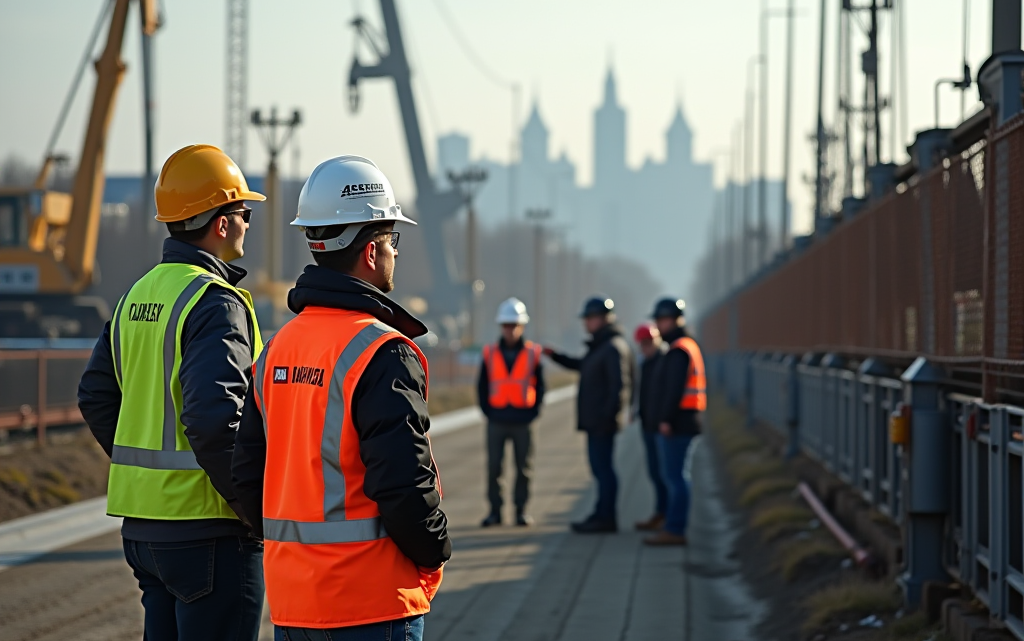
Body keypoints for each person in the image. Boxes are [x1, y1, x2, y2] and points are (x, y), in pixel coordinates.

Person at [232, 155, 450, 641]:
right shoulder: (382, 352)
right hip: (371, 603)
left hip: (294, 604)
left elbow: (246, 473)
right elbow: (403, 482)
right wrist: (437, 547)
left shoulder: (277, 350)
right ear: (371, 252)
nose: (396, 251)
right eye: (392, 239)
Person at [77, 144, 266, 641]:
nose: (248, 223)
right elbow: (213, 421)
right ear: (221, 223)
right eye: (243, 212)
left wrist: (141, 470)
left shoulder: (137, 294)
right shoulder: (214, 302)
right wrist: (255, 509)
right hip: (208, 530)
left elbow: (95, 395)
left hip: (143, 531)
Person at [546, 296, 634, 533]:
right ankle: (601, 512)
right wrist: (555, 355)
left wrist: (608, 416)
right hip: (598, 422)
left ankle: (606, 517)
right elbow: (581, 365)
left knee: (603, 470)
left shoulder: (612, 347)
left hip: (602, 423)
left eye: (590, 318)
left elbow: (620, 386)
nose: (586, 323)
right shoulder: (603, 347)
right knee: (600, 469)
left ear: (603, 319)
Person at [478, 297, 546, 527]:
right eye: (507, 325)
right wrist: (488, 412)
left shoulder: (533, 353)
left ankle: (520, 511)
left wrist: (534, 413)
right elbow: (482, 385)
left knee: (523, 469)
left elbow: (541, 386)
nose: (510, 329)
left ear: (522, 326)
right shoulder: (489, 353)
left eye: (514, 325)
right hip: (497, 419)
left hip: (523, 421)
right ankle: (495, 511)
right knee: (494, 467)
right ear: (501, 326)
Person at [646, 297, 706, 546]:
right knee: (676, 476)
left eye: (663, 320)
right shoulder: (683, 346)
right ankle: (672, 524)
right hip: (685, 421)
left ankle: (675, 528)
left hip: (678, 423)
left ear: (675, 320)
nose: (659, 326)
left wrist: (665, 419)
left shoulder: (679, 350)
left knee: (675, 477)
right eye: (658, 320)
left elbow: (672, 389)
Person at [632, 322, 669, 531]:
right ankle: (660, 512)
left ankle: (669, 515)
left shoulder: (664, 361)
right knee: (654, 472)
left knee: (665, 474)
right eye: (642, 344)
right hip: (647, 424)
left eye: (648, 343)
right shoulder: (645, 364)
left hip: (660, 427)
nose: (645, 348)